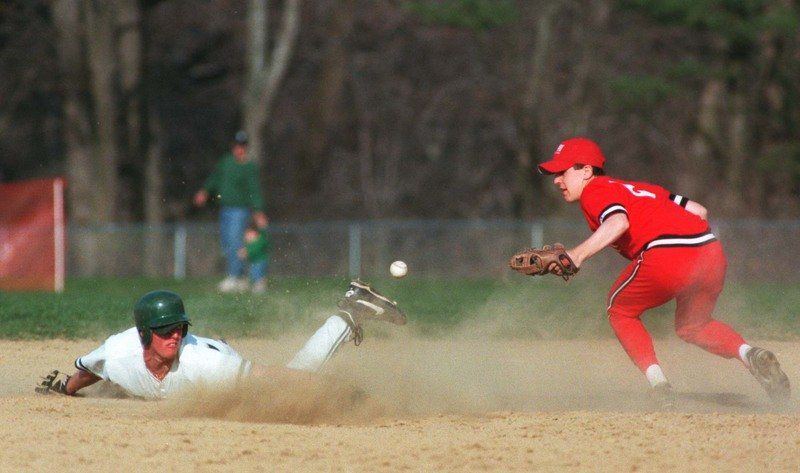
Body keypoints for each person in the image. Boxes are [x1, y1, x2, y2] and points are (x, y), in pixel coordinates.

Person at [533, 137, 790, 407]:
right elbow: (700, 211)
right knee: (693, 325)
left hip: (667, 254)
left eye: (562, 172)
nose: (556, 180)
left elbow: (618, 222)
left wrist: (576, 255)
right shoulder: (645, 189)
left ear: (586, 171)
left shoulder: (594, 191)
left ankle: (660, 387)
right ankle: (750, 354)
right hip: (710, 252)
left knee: (620, 309)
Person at [35, 281, 405, 399]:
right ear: (144, 334)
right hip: (204, 359)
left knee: (293, 379)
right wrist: (65, 389)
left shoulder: (206, 365)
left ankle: (347, 314)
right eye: (165, 330)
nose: (175, 334)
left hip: (221, 357)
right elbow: (87, 369)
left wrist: (336, 390)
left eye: (180, 326)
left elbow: (274, 379)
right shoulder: (116, 352)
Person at [194, 130, 268, 293]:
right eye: (236, 145)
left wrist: (258, 210)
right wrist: (205, 191)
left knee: (236, 242)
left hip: (240, 210)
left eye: (242, 146)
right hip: (225, 209)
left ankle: (235, 276)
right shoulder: (226, 163)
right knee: (227, 243)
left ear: (246, 147)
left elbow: (254, 189)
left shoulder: (249, 166)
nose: (239, 149)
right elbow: (215, 178)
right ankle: (240, 277)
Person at [237, 224, 272, 293]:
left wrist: (246, 252)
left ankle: (260, 285)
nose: (248, 237)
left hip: (260, 261)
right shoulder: (248, 244)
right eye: (247, 235)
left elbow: (254, 249)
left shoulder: (260, 241)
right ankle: (254, 283)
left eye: (250, 234)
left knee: (257, 272)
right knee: (252, 272)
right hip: (253, 262)